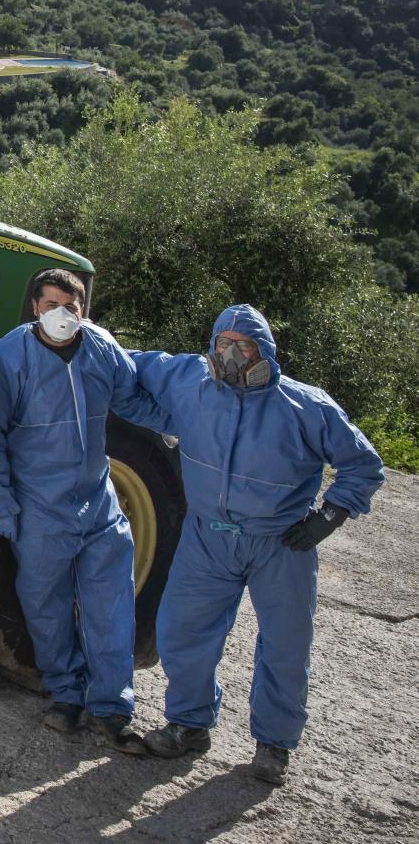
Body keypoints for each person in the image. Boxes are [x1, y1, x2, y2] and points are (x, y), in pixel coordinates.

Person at [131, 305, 383, 784]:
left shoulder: (307, 407)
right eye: (221, 343)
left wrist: (328, 517)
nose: (229, 353)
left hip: (281, 543)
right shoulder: (192, 387)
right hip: (208, 538)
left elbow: (363, 464)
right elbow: (130, 363)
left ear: (263, 351)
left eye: (241, 345)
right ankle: (189, 724)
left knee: (285, 645)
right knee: (182, 632)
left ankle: (273, 744)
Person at [0, 269, 169, 753]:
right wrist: (1, 503)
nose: (61, 315)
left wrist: (195, 421)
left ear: (84, 309)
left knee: (112, 605)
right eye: (51, 304)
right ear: (34, 307)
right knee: (45, 607)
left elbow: (132, 400)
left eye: (72, 305)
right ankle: (66, 694)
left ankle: (112, 706)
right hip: (40, 508)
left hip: (100, 503)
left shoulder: (102, 349)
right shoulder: (8, 358)